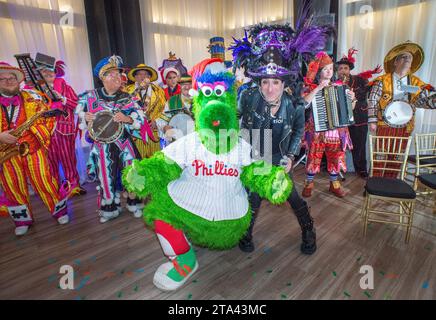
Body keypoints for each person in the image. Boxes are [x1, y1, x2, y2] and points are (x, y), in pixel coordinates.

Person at [231, 20, 334, 254]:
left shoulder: (295, 104)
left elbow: (298, 131)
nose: (269, 88)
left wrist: (289, 156)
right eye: (265, 82)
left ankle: (309, 230)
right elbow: (234, 122)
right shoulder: (247, 96)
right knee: (254, 198)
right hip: (256, 155)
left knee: (292, 197)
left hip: (279, 157)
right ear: (259, 81)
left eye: (275, 82)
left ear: (283, 82)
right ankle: (245, 231)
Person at [76, 55, 150, 222]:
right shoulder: (89, 97)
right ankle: (109, 207)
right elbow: (78, 115)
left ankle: (135, 203)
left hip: (124, 142)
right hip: (102, 145)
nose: (118, 78)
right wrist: (85, 117)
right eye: (113, 75)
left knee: (133, 173)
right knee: (105, 176)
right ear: (103, 78)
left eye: (119, 75)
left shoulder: (128, 97)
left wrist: (127, 119)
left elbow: (141, 118)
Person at [0, 62, 69, 236]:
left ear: (18, 81)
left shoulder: (35, 96)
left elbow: (48, 119)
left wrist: (34, 132)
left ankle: (59, 211)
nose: (8, 81)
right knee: (12, 186)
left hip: (32, 146)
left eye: (12, 78)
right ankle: (22, 219)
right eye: (3, 79)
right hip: (5, 151)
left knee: (45, 180)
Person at [367, 41, 435, 177]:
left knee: (397, 155)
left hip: (405, 125)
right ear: (395, 62)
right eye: (404, 57)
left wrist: (433, 101)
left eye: (409, 58)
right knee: (380, 154)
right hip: (384, 123)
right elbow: (373, 100)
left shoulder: (416, 83)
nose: (407, 59)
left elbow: (422, 102)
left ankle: (390, 183)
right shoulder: (382, 80)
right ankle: (375, 183)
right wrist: (372, 120)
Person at [302, 52, 356, 198]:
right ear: (319, 71)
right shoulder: (310, 87)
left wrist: (352, 100)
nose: (329, 72)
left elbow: (349, 110)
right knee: (313, 157)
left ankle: (334, 184)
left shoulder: (340, 86)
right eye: (325, 69)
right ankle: (309, 183)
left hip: (336, 132)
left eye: (331, 69)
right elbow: (304, 103)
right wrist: (318, 88)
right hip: (317, 131)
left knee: (336, 157)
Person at [36, 56, 86, 195]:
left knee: (68, 158)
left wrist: (62, 98)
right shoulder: (35, 90)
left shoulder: (64, 86)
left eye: (50, 72)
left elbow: (77, 104)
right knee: (49, 161)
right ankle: (53, 187)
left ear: (55, 72)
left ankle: (73, 185)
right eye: (44, 72)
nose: (48, 74)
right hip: (44, 131)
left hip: (64, 129)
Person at [336, 48, 382, 179]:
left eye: (345, 68)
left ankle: (361, 169)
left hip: (359, 119)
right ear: (337, 71)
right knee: (338, 146)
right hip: (341, 121)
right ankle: (336, 169)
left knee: (360, 146)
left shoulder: (360, 80)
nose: (343, 71)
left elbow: (369, 92)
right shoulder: (334, 83)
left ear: (349, 69)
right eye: (340, 69)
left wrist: (354, 95)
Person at [125, 63, 166, 158]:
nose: (143, 77)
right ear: (135, 77)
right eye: (139, 74)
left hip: (153, 133)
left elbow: (164, 110)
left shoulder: (158, 91)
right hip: (135, 134)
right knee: (137, 164)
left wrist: (157, 122)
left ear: (149, 77)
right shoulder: (127, 91)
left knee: (155, 163)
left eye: (145, 74)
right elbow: (124, 111)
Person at [156, 74, 194, 145]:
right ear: (180, 86)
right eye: (183, 84)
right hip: (179, 142)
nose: (187, 87)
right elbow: (162, 120)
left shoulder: (201, 100)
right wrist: (164, 127)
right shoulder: (172, 101)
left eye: (190, 84)